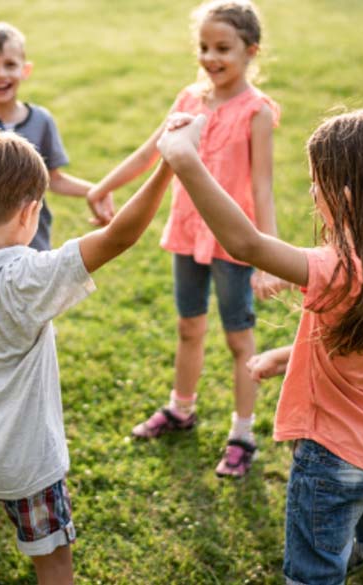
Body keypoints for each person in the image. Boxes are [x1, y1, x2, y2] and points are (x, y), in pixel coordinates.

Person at [158, 109, 363, 585]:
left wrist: (185, 159)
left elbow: (245, 244)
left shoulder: (337, 268)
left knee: (313, 577)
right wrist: (287, 358)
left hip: (332, 458)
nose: (312, 195)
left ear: (344, 197)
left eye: (316, 184)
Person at [0, 127, 175, 585]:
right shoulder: (30, 278)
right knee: (53, 565)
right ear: (31, 212)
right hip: (28, 463)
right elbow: (119, 237)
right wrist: (168, 166)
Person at [89, 0, 280, 477]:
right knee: (188, 327)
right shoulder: (188, 100)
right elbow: (148, 153)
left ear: (250, 51)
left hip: (233, 242)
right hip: (186, 233)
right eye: (203, 47)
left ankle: (242, 433)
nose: (211, 58)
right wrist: (103, 186)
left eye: (223, 48)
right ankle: (182, 408)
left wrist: (269, 257)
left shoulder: (256, 111)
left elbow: (262, 187)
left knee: (240, 341)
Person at [0, 21, 114, 252]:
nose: (1, 74)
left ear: (25, 70)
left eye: (10, 65)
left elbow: (54, 180)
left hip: (33, 248)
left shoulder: (41, 121)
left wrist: (98, 189)